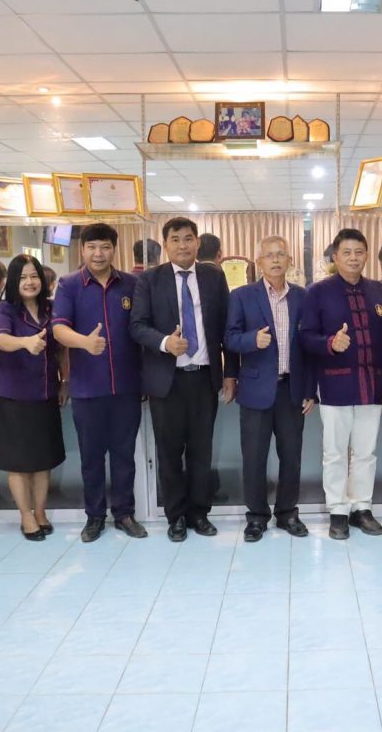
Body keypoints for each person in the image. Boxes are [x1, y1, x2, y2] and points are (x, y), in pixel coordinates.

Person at [130, 217, 238, 542]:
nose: (182, 245)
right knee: (169, 453)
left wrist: (230, 373)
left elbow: (227, 328)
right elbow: (137, 325)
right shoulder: (150, 279)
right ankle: (175, 517)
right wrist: (166, 343)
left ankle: (199, 514)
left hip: (204, 378)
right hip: (167, 381)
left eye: (188, 238)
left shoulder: (214, 277)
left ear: (197, 243)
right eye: (175, 239)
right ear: (165, 245)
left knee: (201, 452)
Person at [52, 223, 146, 542]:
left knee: (124, 456)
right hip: (87, 389)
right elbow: (58, 329)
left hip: (127, 387)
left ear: (114, 249)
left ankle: (124, 514)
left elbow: (142, 329)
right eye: (91, 247)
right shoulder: (69, 285)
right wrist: (84, 342)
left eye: (105, 246)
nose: (98, 253)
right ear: (82, 250)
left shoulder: (131, 284)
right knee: (91, 458)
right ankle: (94, 517)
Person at [300, 228, 382, 539]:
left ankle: (362, 507)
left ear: (367, 255)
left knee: (367, 452)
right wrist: (330, 343)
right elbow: (305, 337)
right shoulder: (318, 292)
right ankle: (338, 510)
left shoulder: (378, 291)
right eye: (347, 252)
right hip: (334, 386)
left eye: (359, 252)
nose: (353, 258)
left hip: (373, 386)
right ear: (336, 257)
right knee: (335, 452)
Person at [225, 236, 314, 542]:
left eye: (281, 255)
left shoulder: (302, 296)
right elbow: (229, 339)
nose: (275, 260)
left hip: (292, 390)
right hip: (255, 390)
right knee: (254, 458)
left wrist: (310, 389)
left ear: (289, 260)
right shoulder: (242, 296)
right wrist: (252, 340)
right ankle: (256, 517)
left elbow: (309, 346)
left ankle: (288, 513)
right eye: (269, 255)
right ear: (259, 261)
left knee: (292, 457)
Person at [0, 254, 68, 541]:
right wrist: (25, 342)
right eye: (22, 277)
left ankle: (41, 511)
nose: (30, 282)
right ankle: (26, 515)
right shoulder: (5, 309)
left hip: (46, 392)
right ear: (13, 281)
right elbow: (1, 340)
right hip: (14, 396)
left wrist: (65, 381)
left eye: (34, 276)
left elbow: (62, 350)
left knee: (43, 459)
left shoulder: (51, 308)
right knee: (19, 461)